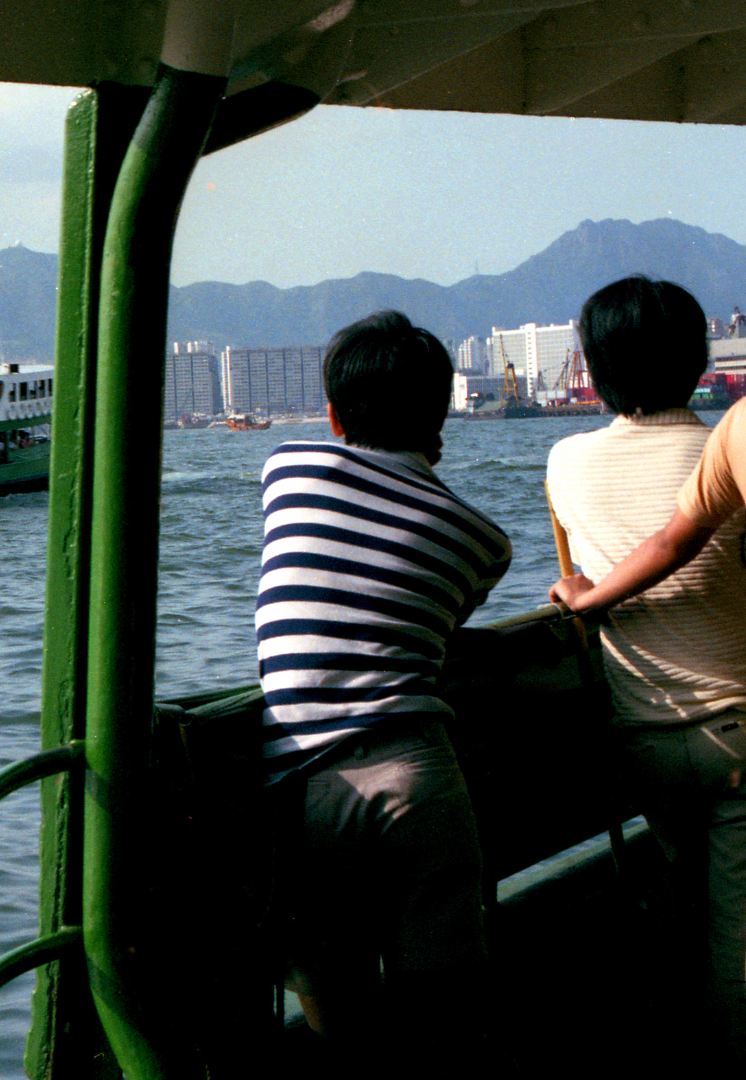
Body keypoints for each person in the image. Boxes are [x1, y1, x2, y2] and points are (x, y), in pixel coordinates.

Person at [257, 310, 512, 1062]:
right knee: (446, 1016)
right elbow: (437, 627)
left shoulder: (286, 470)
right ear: (442, 417)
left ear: (333, 414)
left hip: (305, 781)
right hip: (419, 771)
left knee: (337, 1009)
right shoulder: (483, 540)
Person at [548, 277, 746, 1063]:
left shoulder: (564, 463)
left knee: (685, 912)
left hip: (643, 739)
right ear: (698, 359)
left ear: (594, 371)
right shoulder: (724, 449)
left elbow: (579, 581)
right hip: (739, 732)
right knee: (738, 942)